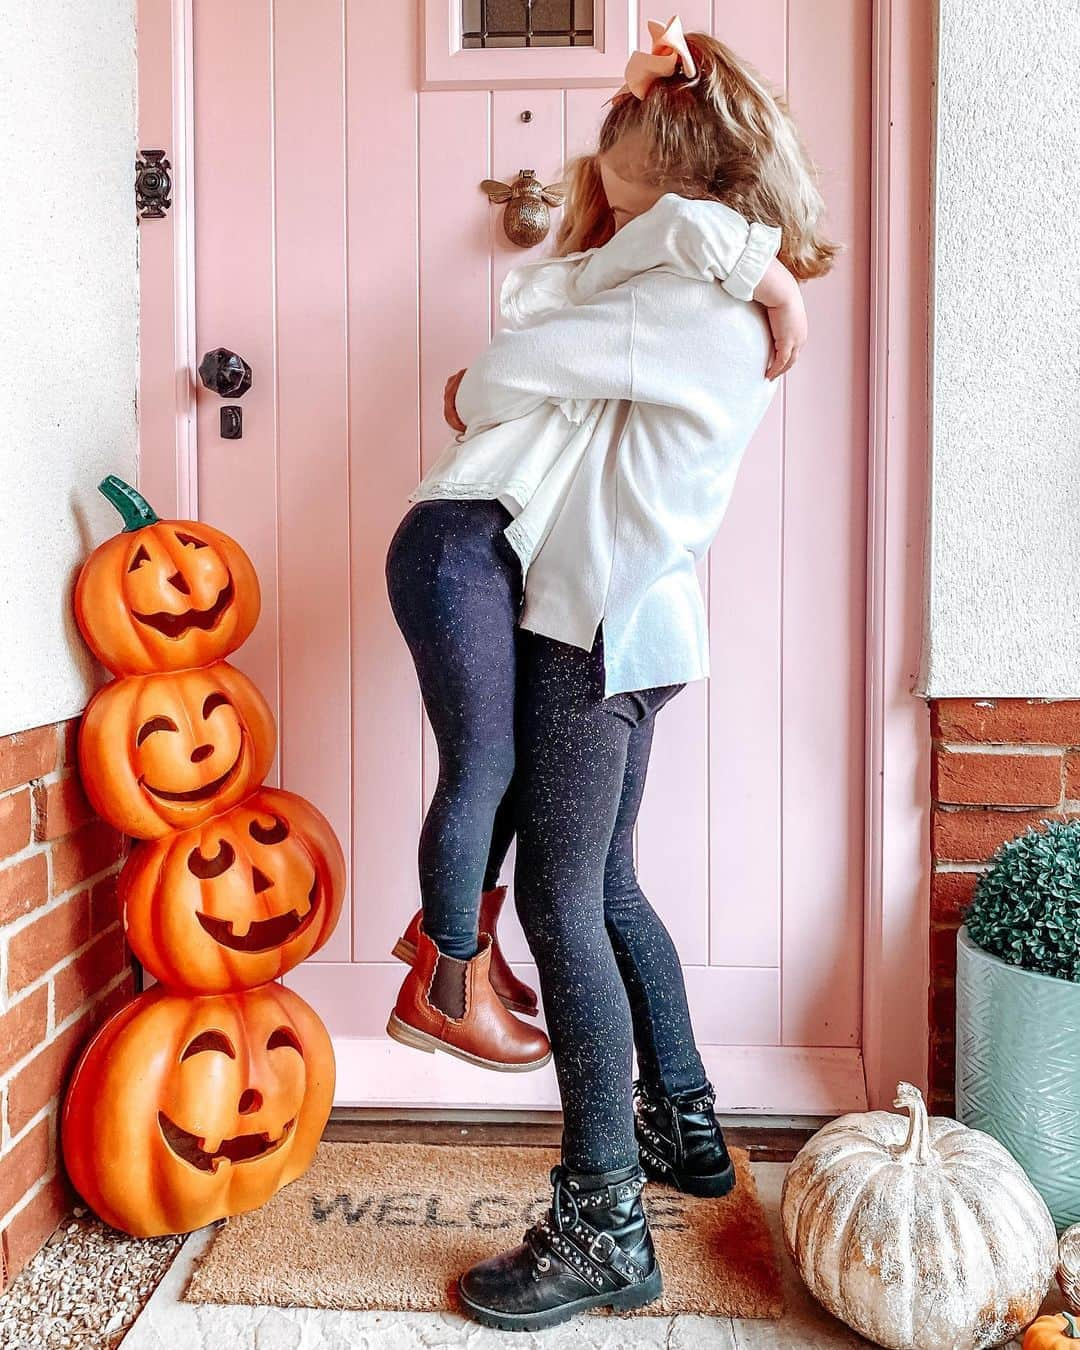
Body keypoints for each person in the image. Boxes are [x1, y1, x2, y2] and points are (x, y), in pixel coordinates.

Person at [388, 17, 836, 1329]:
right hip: (647, 632)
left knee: (561, 906)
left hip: (590, 631)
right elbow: (624, 243)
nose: (599, 167)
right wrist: (747, 252)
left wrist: (481, 386)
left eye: (620, 143)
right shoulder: (698, 281)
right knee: (611, 883)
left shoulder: (678, 299)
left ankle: (601, 1222)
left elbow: (497, 377)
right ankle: (685, 1123)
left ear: (676, 169)